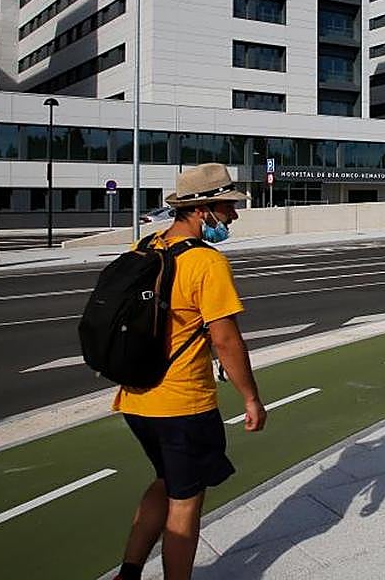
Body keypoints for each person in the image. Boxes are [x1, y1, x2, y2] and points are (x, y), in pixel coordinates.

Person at [111, 163, 266, 580]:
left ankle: (129, 571)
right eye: (226, 208)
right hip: (182, 403)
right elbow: (227, 341)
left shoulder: (145, 247)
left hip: (135, 397)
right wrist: (251, 398)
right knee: (186, 499)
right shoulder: (206, 262)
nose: (232, 216)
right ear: (202, 211)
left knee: (165, 480)